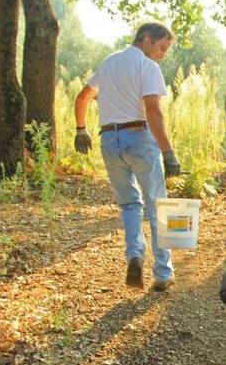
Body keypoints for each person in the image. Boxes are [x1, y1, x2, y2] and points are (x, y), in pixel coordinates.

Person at [73, 22, 181, 292]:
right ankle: (163, 272)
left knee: (130, 205)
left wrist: (80, 129)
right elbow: (153, 112)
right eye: (161, 47)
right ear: (145, 39)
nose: (162, 54)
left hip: (109, 140)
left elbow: (84, 96)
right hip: (139, 138)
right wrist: (168, 152)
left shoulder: (109, 63)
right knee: (158, 205)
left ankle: (134, 255)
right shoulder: (147, 67)